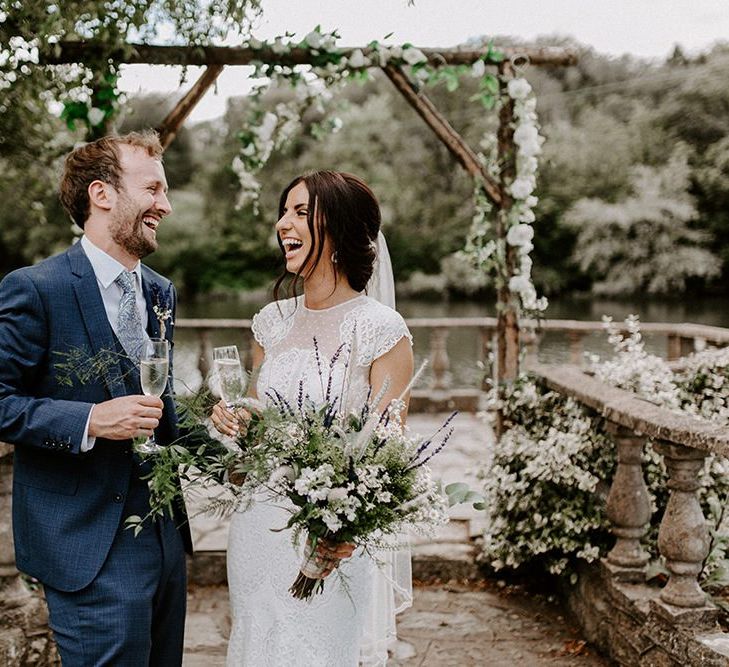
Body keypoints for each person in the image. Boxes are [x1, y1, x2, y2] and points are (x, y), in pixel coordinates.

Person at [0, 130, 192, 665]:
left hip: (163, 539)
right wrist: (88, 419)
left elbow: (161, 403)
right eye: (153, 189)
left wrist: (228, 439)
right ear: (102, 194)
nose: (166, 206)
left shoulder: (160, 292)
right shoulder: (36, 289)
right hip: (87, 547)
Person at [211, 170, 415, 666]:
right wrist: (231, 425)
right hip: (258, 526)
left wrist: (342, 530)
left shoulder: (382, 330)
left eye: (300, 212)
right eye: (284, 211)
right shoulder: (271, 322)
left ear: (340, 229)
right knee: (255, 644)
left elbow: (387, 456)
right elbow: (257, 427)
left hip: (328, 539)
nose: (284, 223)